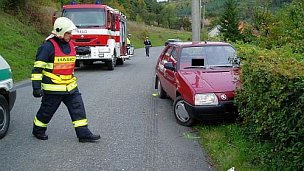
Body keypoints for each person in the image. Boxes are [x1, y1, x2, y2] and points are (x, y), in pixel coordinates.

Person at [31, 17, 100, 143]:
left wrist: (81, 51)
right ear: (60, 32)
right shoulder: (47, 47)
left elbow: (69, 54)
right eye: (68, 33)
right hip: (53, 88)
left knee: (78, 109)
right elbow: (37, 69)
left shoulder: (70, 44)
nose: (71, 35)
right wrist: (36, 88)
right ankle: (38, 130)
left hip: (70, 87)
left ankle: (84, 134)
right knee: (46, 111)